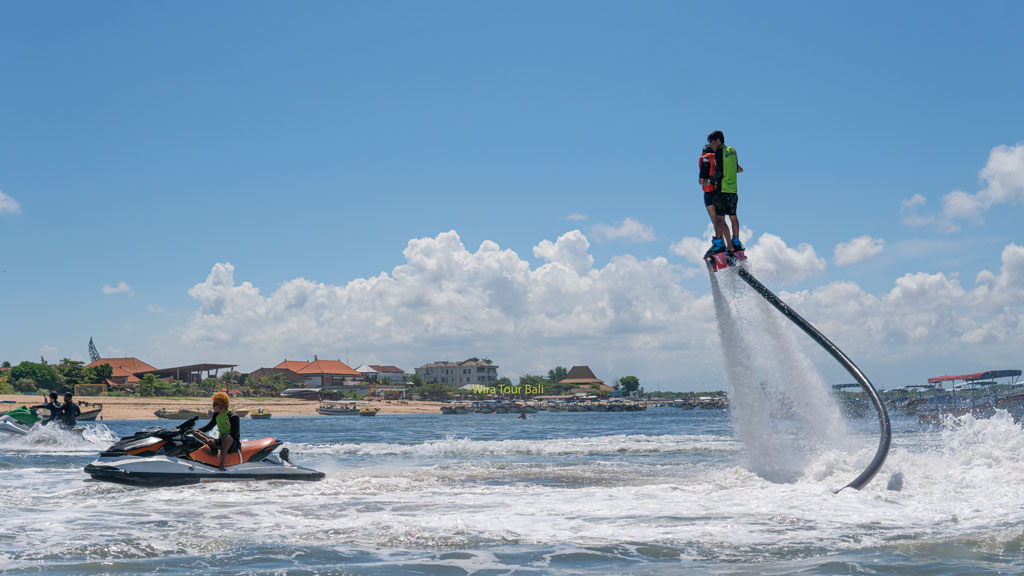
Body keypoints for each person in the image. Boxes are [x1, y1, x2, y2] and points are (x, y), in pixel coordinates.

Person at [706, 130, 744, 254]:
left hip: (722, 189)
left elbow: (720, 172)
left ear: (718, 141)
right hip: (733, 190)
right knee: (733, 216)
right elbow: (738, 168)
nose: (711, 146)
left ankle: (718, 244)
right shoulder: (733, 151)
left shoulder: (719, 152)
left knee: (719, 218)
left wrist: (711, 180)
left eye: (712, 143)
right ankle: (736, 242)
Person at [195, 392, 240, 471]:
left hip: (233, 443)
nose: (213, 407)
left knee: (225, 436)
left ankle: (222, 464)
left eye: (215, 404)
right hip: (221, 441)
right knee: (196, 433)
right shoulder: (217, 415)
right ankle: (214, 446)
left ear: (222, 405)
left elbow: (234, 435)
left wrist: (217, 441)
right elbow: (208, 427)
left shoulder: (233, 417)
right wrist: (196, 430)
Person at [699, 144, 725, 257]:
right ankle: (729, 246)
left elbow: (701, 181)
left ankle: (720, 246)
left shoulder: (704, 159)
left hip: (709, 194)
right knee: (722, 220)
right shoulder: (718, 159)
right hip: (719, 191)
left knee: (715, 221)